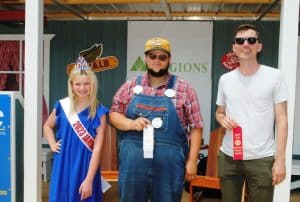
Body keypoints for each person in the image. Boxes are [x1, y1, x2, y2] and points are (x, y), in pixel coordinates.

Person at [109, 37, 204, 202]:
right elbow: (114, 114)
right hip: (134, 160)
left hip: (169, 162)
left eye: (162, 57)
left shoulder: (185, 88)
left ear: (169, 60)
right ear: (145, 58)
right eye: (152, 56)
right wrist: (131, 124)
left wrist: (192, 161)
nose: (157, 61)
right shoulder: (130, 86)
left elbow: (197, 127)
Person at [215, 24, 288, 202]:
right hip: (229, 157)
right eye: (240, 40)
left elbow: (282, 119)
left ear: (259, 46)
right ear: (234, 47)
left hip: (262, 158)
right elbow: (219, 112)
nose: (245, 44)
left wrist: (280, 160)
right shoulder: (225, 80)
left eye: (251, 40)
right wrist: (222, 119)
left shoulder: (274, 76)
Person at [43, 56, 108, 202]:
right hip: (63, 163)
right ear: (71, 85)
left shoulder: (99, 111)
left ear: (93, 85)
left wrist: (89, 179)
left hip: (86, 166)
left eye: (87, 84)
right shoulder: (62, 106)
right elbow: (47, 126)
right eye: (78, 84)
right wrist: (53, 144)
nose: (82, 88)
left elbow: (97, 149)